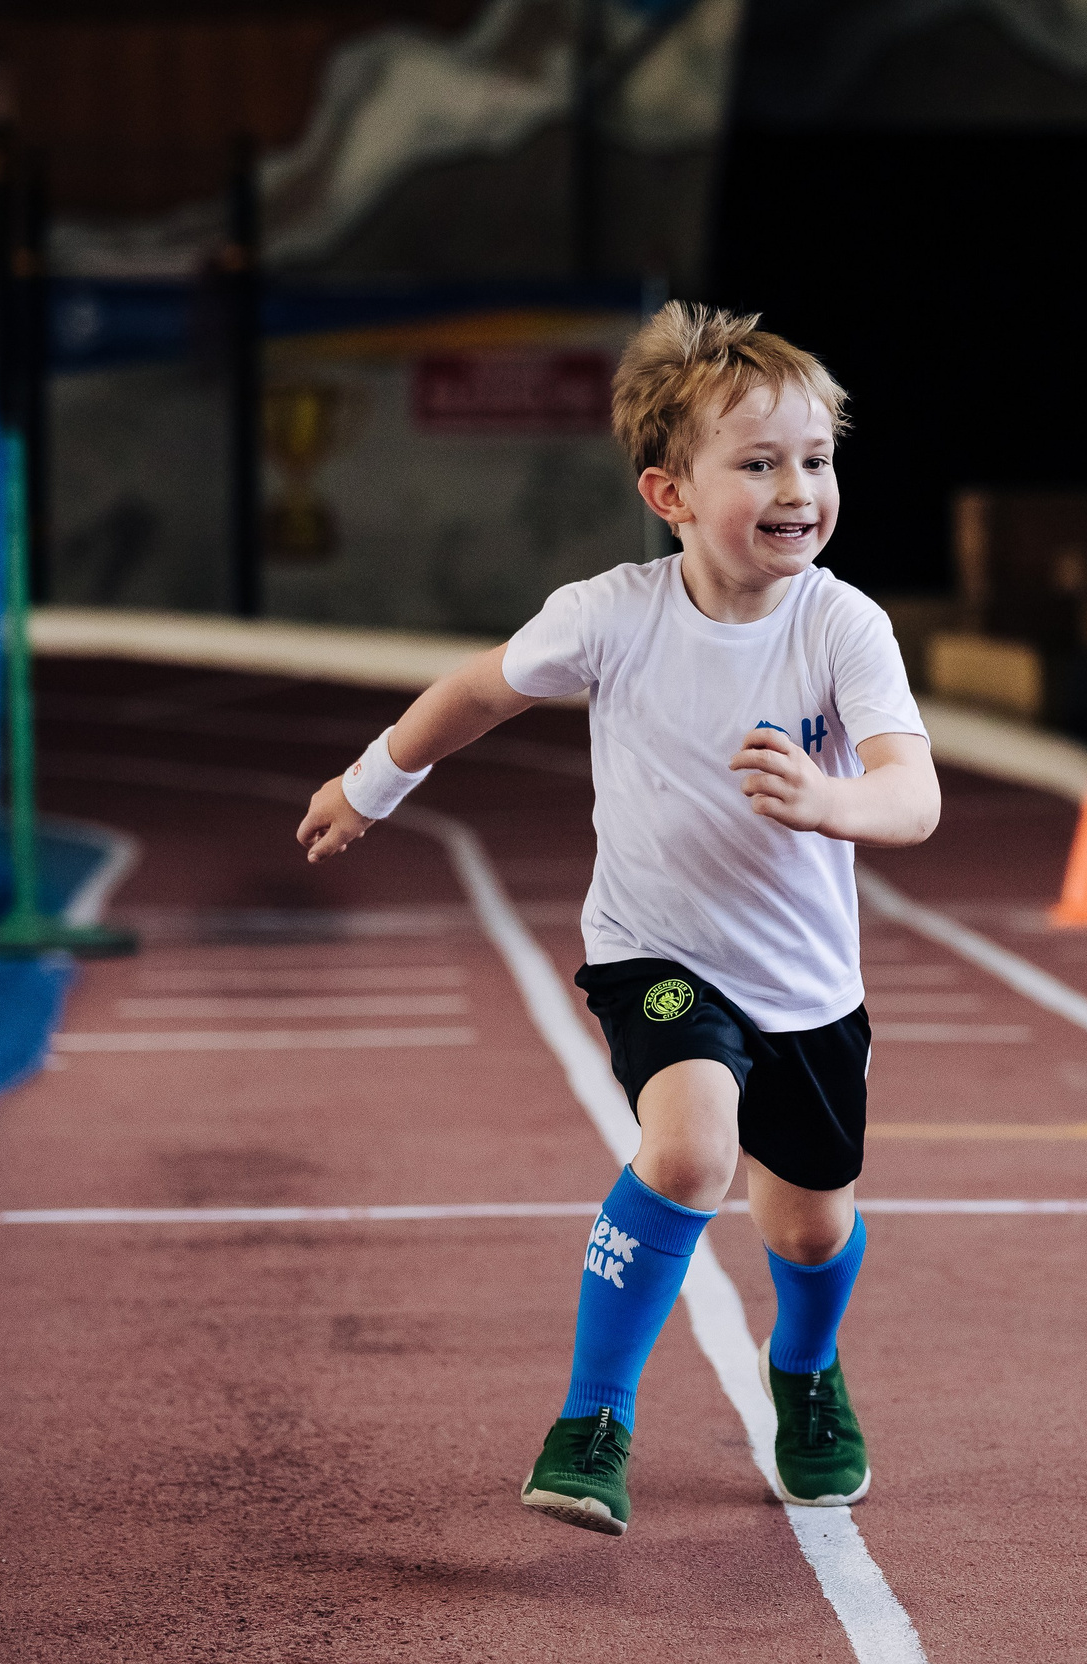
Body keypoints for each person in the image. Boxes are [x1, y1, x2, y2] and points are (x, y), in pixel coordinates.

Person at [294, 302, 938, 1535]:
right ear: (670, 492)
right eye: (757, 463)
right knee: (691, 1151)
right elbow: (479, 693)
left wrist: (830, 799)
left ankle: (802, 1370)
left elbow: (914, 798)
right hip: (655, 950)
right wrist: (372, 782)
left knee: (810, 1226)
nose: (797, 486)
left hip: (806, 984)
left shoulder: (842, 625)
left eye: (815, 458)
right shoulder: (610, 615)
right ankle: (593, 1421)